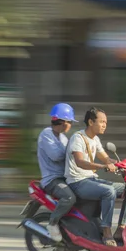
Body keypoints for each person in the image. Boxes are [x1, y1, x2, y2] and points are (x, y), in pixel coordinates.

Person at [65, 107, 126, 246]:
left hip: (91, 180)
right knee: (108, 191)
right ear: (91, 122)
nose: (105, 125)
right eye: (102, 121)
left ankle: (121, 229)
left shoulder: (95, 139)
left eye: (106, 122)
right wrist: (103, 167)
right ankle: (106, 233)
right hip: (78, 182)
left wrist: (124, 164)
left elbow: (106, 159)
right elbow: (80, 162)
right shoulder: (78, 138)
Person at [37, 103, 78, 242]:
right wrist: (72, 151)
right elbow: (56, 155)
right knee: (69, 198)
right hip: (52, 180)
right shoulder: (46, 134)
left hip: (64, 178)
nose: (71, 125)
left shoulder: (63, 137)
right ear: (63, 122)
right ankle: (53, 223)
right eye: (70, 122)